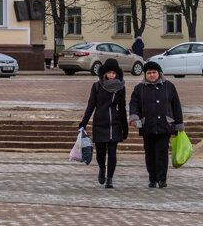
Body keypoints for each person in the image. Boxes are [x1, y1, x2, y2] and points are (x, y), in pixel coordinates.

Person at [128, 59, 184, 188]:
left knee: (162, 153)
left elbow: (176, 106)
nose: (152, 75)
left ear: (159, 73)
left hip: (165, 125)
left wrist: (178, 126)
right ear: (145, 74)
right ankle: (152, 178)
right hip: (147, 126)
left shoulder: (169, 86)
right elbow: (134, 105)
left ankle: (162, 178)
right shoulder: (139, 88)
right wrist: (134, 118)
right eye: (149, 73)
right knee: (150, 154)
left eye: (154, 72)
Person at [79, 57, 127, 188]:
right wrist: (84, 122)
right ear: (104, 73)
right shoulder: (97, 86)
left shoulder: (120, 87)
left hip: (114, 123)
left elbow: (122, 108)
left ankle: (110, 178)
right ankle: (102, 168)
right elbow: (91, 105)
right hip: (100, 122)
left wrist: (125, 127)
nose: (111, 75)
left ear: (117, 74)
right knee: (100, 153)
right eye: (109, 73)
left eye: (114, 73)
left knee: (112, 152)